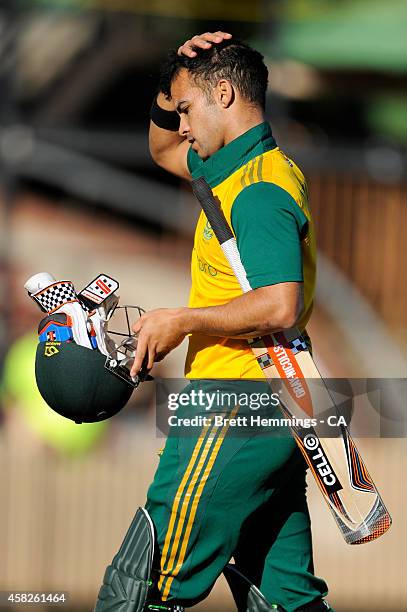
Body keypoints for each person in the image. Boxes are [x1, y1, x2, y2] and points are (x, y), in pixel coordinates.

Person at [95, 32, 332, 612]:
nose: (180, 126)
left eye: (186, 109)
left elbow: (279, 303)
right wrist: (170, 76)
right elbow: (159, 152)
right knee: (285, 601)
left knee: (140, 587)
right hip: (274, 410)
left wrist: (182, 320)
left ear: (223, 93)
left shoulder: (258, 192)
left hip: (231, 409)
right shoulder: (243, 168)